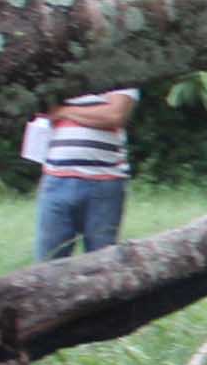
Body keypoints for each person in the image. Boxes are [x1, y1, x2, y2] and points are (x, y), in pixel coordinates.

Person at [30, 87, 136, 260]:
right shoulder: (59, 72)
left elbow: (114, 115)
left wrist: (64, 111)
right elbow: (42, 116)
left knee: (102, 264)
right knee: (48, 265)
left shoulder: (123, 70)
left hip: (104, 183)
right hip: (56, 180)